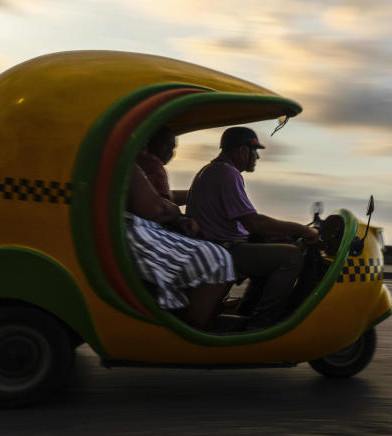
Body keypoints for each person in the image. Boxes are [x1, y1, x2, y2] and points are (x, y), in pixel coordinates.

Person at [186, 127, 319, 329]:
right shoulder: (227, 174)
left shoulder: (213, 170)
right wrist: (303, 230)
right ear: (242, 151)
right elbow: (254, 223)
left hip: (215, 248)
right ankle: (264, 325)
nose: (257, 157)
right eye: (254, 151)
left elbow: (246, 222)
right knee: (291, 257)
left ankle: (249, 311)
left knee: (273, 246)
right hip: (222, 250)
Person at [125, 142, 234, 331]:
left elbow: (161, 199)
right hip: (130, 231)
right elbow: (157, 208)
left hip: (130, 227)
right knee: (217, 257)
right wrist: (177, 215)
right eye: (167, 145)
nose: (171, 152)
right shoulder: (132, 162)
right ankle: (190, 333)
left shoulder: (133, 162)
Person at [136, 126, 189, 204]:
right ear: (151, 142)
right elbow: (164, 203)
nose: (170, 153)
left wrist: (194, 194)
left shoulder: (137, 163)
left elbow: (164, 195)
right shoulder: (154, 166)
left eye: (172, 148)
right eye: (166, 146)